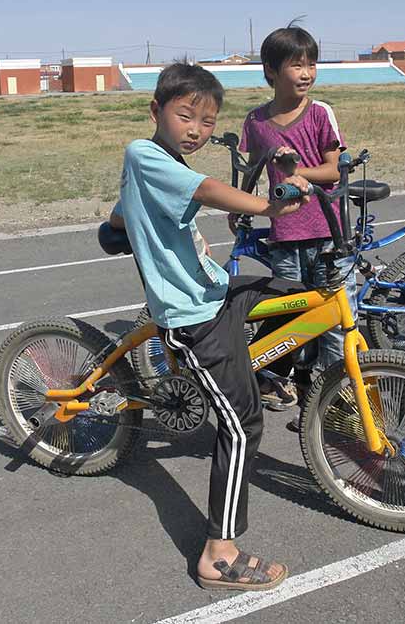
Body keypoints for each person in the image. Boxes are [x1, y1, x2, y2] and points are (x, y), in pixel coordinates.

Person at [110, 62, 309, 591]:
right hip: (192, 316)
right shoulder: (144, 153)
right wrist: (269, 204)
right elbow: (205, 188)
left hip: (215, 290)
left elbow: (119, 217)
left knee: (297, 298)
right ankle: (218, 554)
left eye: (207, 121)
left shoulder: (159, 160)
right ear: (156, 112)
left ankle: (267, 373)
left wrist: (115, 231)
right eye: (186, 116)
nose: (196, 129)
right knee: (243, 423)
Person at [236, 24, 356, 425]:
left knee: (335, 322)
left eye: (312, 64)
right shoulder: (255, 121)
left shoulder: (320, 113)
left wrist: (295, 171)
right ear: (270, 71)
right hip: (285, 236)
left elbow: (332, 171)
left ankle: (340, 398)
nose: (307, 73)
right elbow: (248, 172)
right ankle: (303, 391)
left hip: (327, 233)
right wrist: (241, 207)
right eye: (296, 65)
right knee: (293, 320)